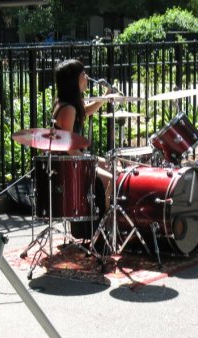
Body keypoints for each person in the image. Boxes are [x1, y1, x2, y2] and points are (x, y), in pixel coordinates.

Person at [51, 59, 116, 240]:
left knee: (115, 167)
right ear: (73, 80)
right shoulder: (68, 109)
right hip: (69, 163)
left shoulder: (71, 104)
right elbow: (69, 149)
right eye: (83, 75)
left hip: (75, 159)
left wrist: (105, 96)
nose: (87, 78)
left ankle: (105, 224)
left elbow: (86, 111)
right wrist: (90, 161)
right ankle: (103, 228)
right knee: (110, 179)